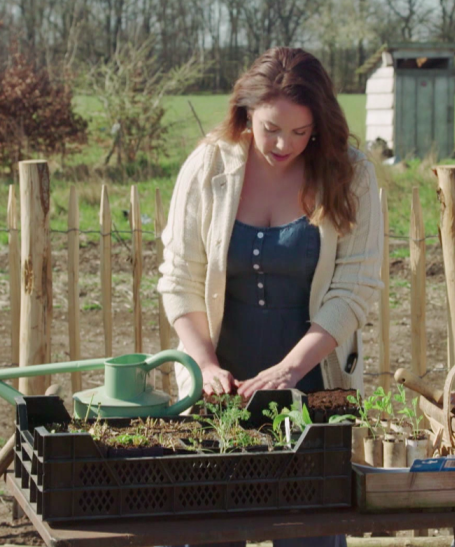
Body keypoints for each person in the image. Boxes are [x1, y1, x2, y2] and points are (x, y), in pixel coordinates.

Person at [157, 47, 382, 545]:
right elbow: (180, 280)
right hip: (222, 388)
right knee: (212, 528)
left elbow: (354, 289)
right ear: (246, 114)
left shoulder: (352, 174)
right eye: (270, 129)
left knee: (310, 531)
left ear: (320, 124)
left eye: (301, 132)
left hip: (312, 379)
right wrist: (204, 367)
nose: (284, 144)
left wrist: (289, 371)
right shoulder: (207, 166)